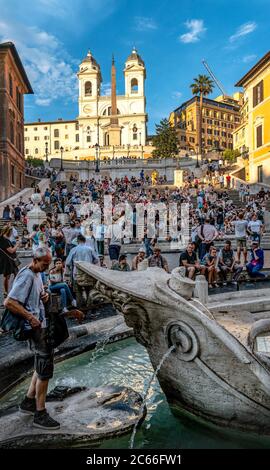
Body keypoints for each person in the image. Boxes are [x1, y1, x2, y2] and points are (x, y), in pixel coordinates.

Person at [4, 248, 60, 429]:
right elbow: (9, 302)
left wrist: (43, 297)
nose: (47, 267)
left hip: (39, 326)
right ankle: (40, 413)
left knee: (41, 364)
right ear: (35, 260)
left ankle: (28, 401)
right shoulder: (27, 275)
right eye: (45, 264)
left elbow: (33, 297)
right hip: (34, 328)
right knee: (45, 369)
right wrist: (30, 317)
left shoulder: (37, 275)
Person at [0, 226, 20, 299]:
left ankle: (10, 290)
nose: (12, 233)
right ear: (8, 232)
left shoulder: (4, 239)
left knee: (15, 274)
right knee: (8, 275)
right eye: (11, 232)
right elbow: (11, 250)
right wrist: (17, 245)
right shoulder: (4, 240)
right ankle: (8, 291)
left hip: (9, 260)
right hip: (8, 260)